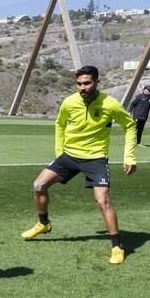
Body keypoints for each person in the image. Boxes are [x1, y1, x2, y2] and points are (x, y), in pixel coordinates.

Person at [21, 65, 137, 265]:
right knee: (39, 185)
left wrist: (129, 157)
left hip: (96, 158)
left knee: (103, 201)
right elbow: (59, 124)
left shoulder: (110, 104)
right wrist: (59, 152)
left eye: (87, 83)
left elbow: (129, 125)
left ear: (97, 83)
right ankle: (43, 224)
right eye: (79, 84)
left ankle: (117, 247)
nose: (82, 87)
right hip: (69, 156)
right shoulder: (69, 102)